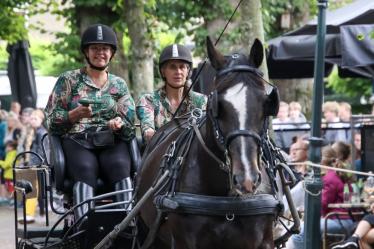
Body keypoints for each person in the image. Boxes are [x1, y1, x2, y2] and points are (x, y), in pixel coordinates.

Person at [45, 24, 136, 221]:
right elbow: (50, 120)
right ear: (86, 52)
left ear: (111, 53)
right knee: (85, 170)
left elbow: (130, 126)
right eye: (95, 48)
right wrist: (73, 115)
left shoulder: (119, 84)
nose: (100, 53)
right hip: (77, 140)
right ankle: (84, 228)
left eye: (105, 48)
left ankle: (128, 225)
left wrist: (119, 124)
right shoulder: (69, 80)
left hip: (111, 140)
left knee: (121, 166)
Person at [286, 145, 354, 249]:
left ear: (319, 160)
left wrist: (303, 209)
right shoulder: (336, 175)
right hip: (343, 219)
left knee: (298, 234)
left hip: (338, 220)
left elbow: (322, 205)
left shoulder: (329, 178)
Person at [136, 44, 207, 143]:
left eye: (182, 67)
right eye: (172, 67)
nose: (178, 71)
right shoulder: (148, 100)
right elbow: (148, 130)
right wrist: (150, 132)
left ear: (188, 72)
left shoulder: (202, 101)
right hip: (159, 155)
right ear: (163, 71)